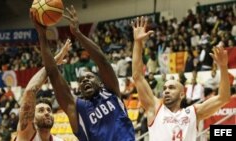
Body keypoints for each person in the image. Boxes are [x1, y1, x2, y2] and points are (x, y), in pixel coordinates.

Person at [30, 5, 135, 141]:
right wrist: (42, 35)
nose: (84, 80)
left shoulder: (111, 92)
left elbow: (102, 60)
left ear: (99, 81)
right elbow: (53, 74)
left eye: (89, 77)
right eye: (81, 81)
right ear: (79, 89)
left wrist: (78, 34)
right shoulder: (77, 108)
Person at [132, 16, 230, 141]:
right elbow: (137, 76)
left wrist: (223, 67)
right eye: (165, 88)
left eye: (171, 88)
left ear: (182, 94)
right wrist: (138, 43)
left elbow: (224, 98)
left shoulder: (193, 113)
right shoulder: (155, 108)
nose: (166, 90)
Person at [14, 39, 71, 141]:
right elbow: (30, 91)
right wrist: (53, 63)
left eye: (49, 110)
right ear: (33, 119)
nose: (46, 113)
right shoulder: (26, 136)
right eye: (41, 110)